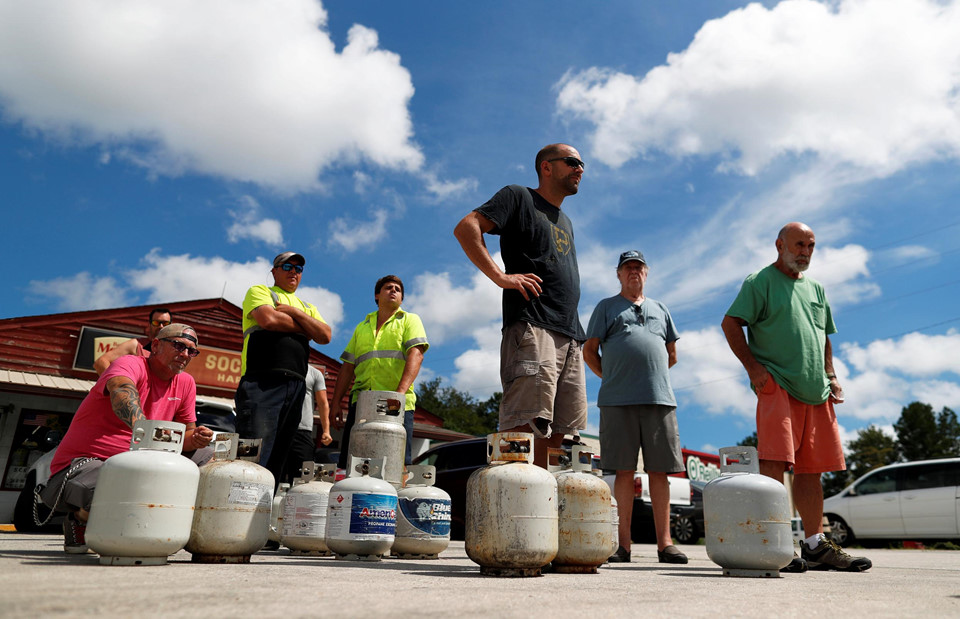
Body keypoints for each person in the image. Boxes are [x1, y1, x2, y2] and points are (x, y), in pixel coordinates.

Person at [721, 222, 871, 573]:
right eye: (799, 244)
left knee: (812, 470)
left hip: (816, 390)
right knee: (774, 463)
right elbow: (730, 323)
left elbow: (824, 335)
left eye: (811, 245)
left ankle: (815, 545)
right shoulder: (759, 282)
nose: (805, 252)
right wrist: (754, 369)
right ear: (780, 245)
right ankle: (776, 546)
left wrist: (831, 375)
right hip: (778, 385)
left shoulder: (816, 288)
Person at [453, 144, 587, 467]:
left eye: (582, 164)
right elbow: (467, 227)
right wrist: (500, 276)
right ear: (546, 167)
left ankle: (541, 498)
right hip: (532, 325)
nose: (580, 169)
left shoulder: (566, 221)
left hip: (570, 335)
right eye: (572, 162)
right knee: (523, 424)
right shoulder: (518, 196)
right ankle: (509, 496)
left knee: (560, 434)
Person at [40, 324, 215, 553]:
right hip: (84, 466)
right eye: (178, 346)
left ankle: (196, 537)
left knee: (210, 458)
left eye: (191, 351)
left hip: (144, 465)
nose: (185, 354)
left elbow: (186, 436)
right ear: (155, 345)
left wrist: (198, 438)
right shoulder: (130, 363)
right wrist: (145, 432)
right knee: (126, 484)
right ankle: (80, 518)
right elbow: (121, 390)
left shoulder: (186, 383)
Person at [583, 250, 688, 565]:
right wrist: (614, 377)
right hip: (617, 401)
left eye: (638, 267)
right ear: (618, 274)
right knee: (623, 471)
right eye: (627, 267)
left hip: (659, 399)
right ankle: (622, 545)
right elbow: (590, 351)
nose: (633, 271)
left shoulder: (661, 309)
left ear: (646, 272)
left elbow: (671, 354)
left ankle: (665, 544)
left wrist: (649, 377)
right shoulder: (606, 307)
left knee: (660, 471)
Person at [235, 251, 332, 487]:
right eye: (287, 266)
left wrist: (295, 312)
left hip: (296, 387)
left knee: (278, 456)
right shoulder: (260, 291)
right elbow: (269, 320)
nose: (294, 272)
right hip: (262, 382)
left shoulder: (306, 306)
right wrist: (307, 326)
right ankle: (241, 502)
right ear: (274, 271)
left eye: (298, 269)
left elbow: (325, 335)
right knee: (254, 451)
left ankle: (265, 504)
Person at [331, 275, 428, 470]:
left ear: (401, 299)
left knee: (395, 464)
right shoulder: (362, 327)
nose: (393, 291)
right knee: (354, 462)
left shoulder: (410, 320)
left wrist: (398, 396)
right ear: (377, 295)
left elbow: (416, 355)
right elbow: (347, 367)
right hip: (361, 403)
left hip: (396, 402)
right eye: (388, 287)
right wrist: (335, 404)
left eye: (397, 289)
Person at [284, 364, 332, 484]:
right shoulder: (281, 366)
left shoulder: (315, 373)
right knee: (273, 473)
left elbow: (323, 403)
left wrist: (326, 430)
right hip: (279, 430)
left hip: (302, 432)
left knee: (303, 479)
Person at [92, 307, 172, 375]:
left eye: (165, 323)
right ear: (149, 324)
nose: (161, 326)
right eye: (156, 322)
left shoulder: (175, 349)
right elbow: (101, 362)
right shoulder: (136, 345)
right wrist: (114, 384)